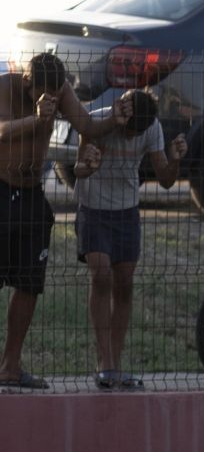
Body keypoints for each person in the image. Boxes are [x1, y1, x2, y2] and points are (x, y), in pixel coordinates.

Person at [0, 53, 131, 389]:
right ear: (29, 84)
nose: (55, 99)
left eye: (58, 93)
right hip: (2, 189)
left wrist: (114, 119)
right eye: (47, 92)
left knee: (29, 283)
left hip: (31, 195)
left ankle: (10, 367)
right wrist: (36, 119)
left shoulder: (58, 91)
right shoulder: (6, 87)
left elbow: (86, 126)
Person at [74, 88, 187, 390]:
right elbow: (77, 170)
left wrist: (175, 160)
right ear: (119, 111)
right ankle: (104, 362)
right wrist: (88, 166)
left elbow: (165, 179)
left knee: (124, 283)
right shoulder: (97, 121)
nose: (130, 137)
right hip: (94, 210)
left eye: (137, 132)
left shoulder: (152, 128)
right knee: (101, 276)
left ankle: (115, 361)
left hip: (127, 213)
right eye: (128, 129)